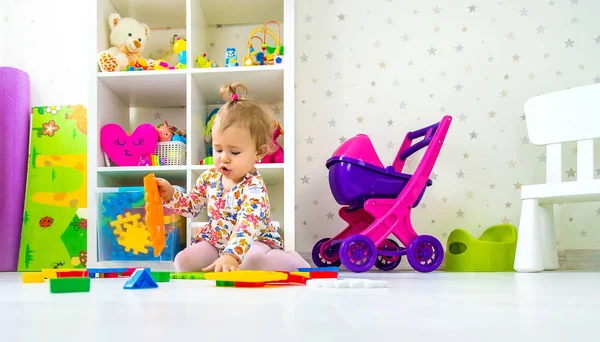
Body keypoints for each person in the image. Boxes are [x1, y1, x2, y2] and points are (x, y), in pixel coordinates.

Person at [156, 82, 309, 273]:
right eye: (218, 149)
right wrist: (170, 195)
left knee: (250, 261)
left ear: (259, 153)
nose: (224, 158)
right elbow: (191, 207)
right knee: (183, 261)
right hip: (216, 242)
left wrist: (232, 254)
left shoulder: (254, 186)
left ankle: (292, 260)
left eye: (235, 152)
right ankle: (224, 262)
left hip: (254, 242)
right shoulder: (209, 177)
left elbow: (248, 223)